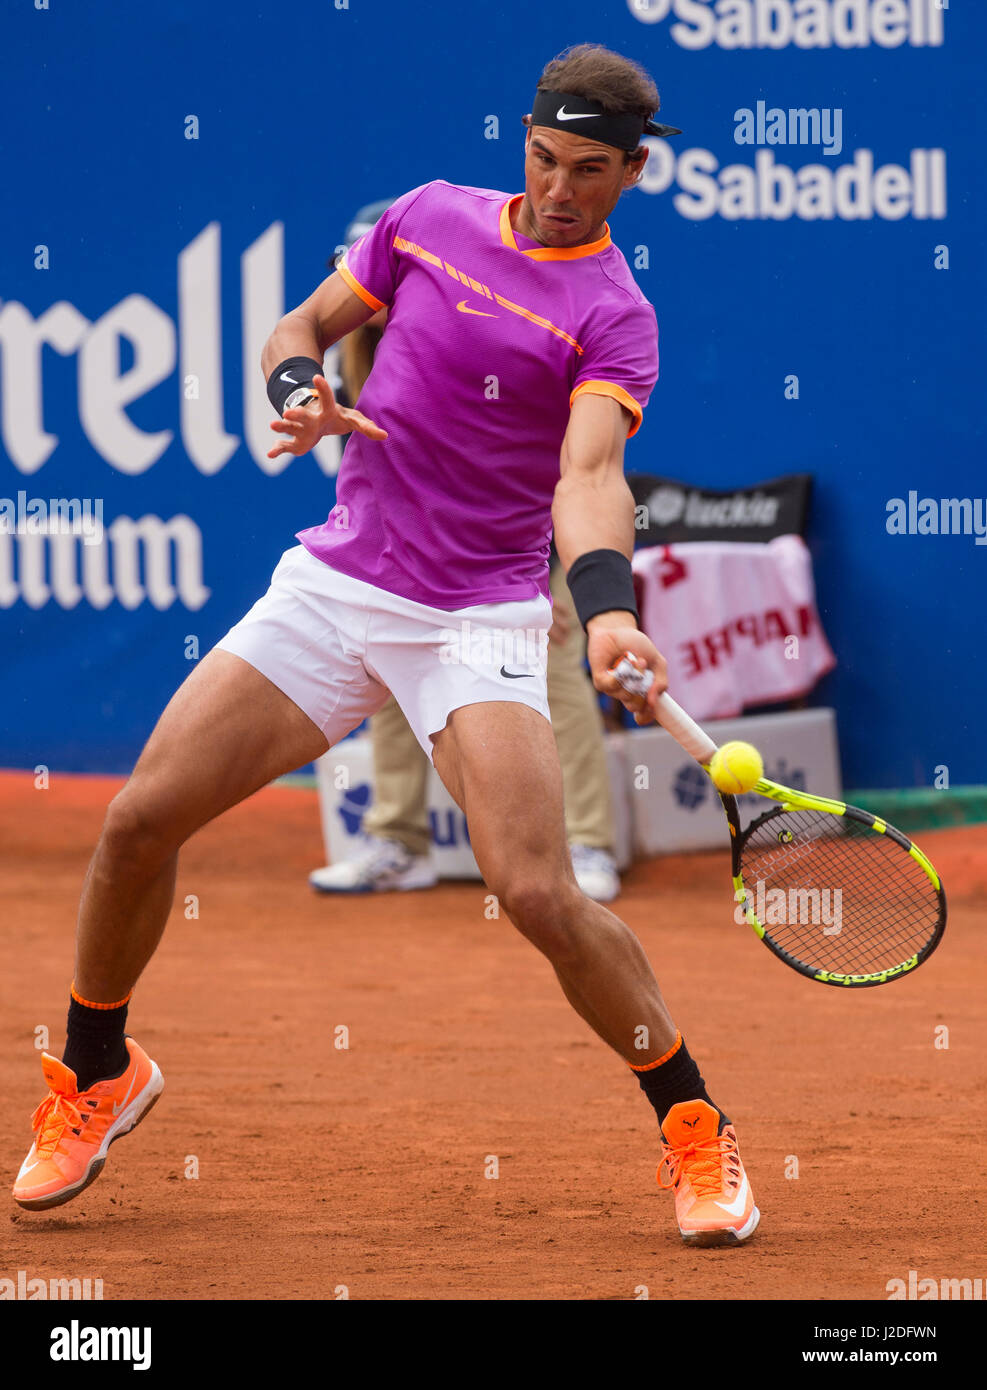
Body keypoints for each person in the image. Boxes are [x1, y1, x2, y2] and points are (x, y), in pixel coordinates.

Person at [13, 43, 758, 1249]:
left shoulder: (616, 314)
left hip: (478, 616)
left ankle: (693, 1121)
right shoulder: (425, 219)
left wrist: (610, 605)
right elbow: (302, 323)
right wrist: (300, 388)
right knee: (139, 818)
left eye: (589, 171)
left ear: (630, 174)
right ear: (523, 139)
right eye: (544, 157)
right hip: (343, 581)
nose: (559, 188)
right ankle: (98, 1071)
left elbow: (588, 474)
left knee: (534, 890)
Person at [313, 203, 621, 902]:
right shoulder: (360, 361)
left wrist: (546, 581)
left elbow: (556, 471)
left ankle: (586, 845)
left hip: (525, 550)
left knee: (558, 683)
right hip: (415, 561)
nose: (359, 290)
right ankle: (397, 841)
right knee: (385, 672)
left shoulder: (481, 336)